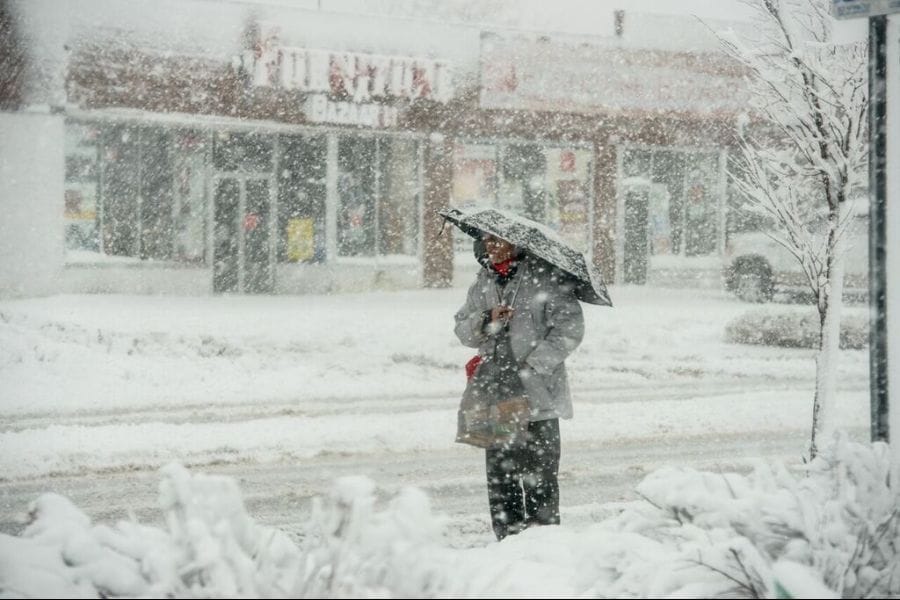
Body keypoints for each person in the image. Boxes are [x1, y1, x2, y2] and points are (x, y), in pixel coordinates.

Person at [453, 231, 585, 541]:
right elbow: (462, 328)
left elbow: (570, 329)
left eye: (498, 240)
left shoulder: (545, 280)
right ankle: (507, 545)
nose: (491, 246)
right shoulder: (483, 280)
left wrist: (534, 364)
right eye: (487, 240)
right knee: (502, 481)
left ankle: (544, 547)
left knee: (539, 480)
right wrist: (486, 318)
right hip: (496, 394)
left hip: (537, 397)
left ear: (517, 244)